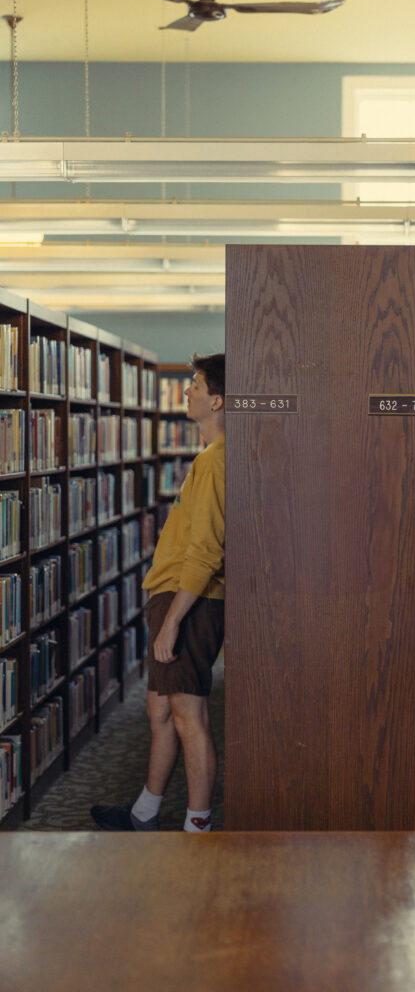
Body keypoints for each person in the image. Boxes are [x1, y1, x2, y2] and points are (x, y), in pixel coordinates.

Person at [91, 353, 226, 833]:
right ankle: (144, 812)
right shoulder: (207, 458)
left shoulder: (215, 462)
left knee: (189, 714)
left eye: (194, 384)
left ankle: (197, 824)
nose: (186, 391)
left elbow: (207, 550)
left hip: (188, 602)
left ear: (218, 399)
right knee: (160, 708)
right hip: (171, 594)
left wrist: (172, 622)